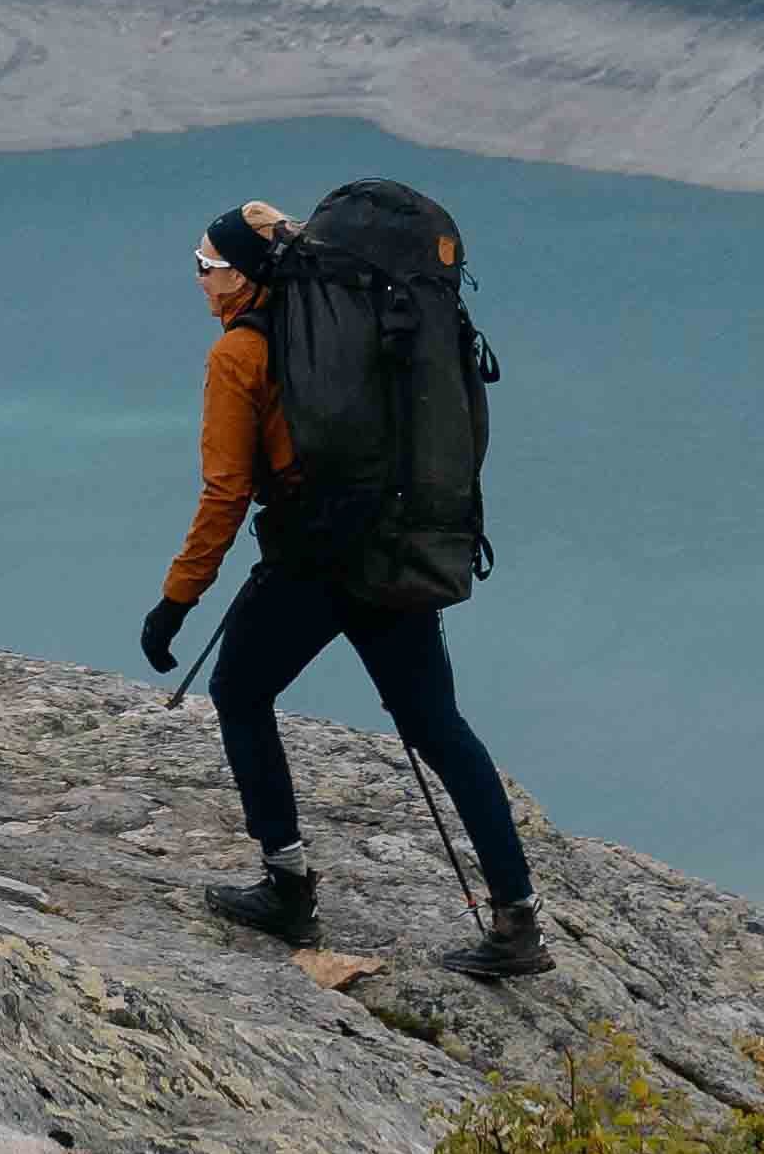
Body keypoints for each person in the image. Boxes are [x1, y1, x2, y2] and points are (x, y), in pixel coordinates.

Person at [139, 197, 548, 980]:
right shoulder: (345, 329)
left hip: (315, 561)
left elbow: (225, 493)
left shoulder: (240, 357)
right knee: (438, 727)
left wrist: (176, 602)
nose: (199, 282)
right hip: (393, 547)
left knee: (239, 689)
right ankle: (516, 916)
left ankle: (288, 884)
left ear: (241, 275)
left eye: (206, 267)